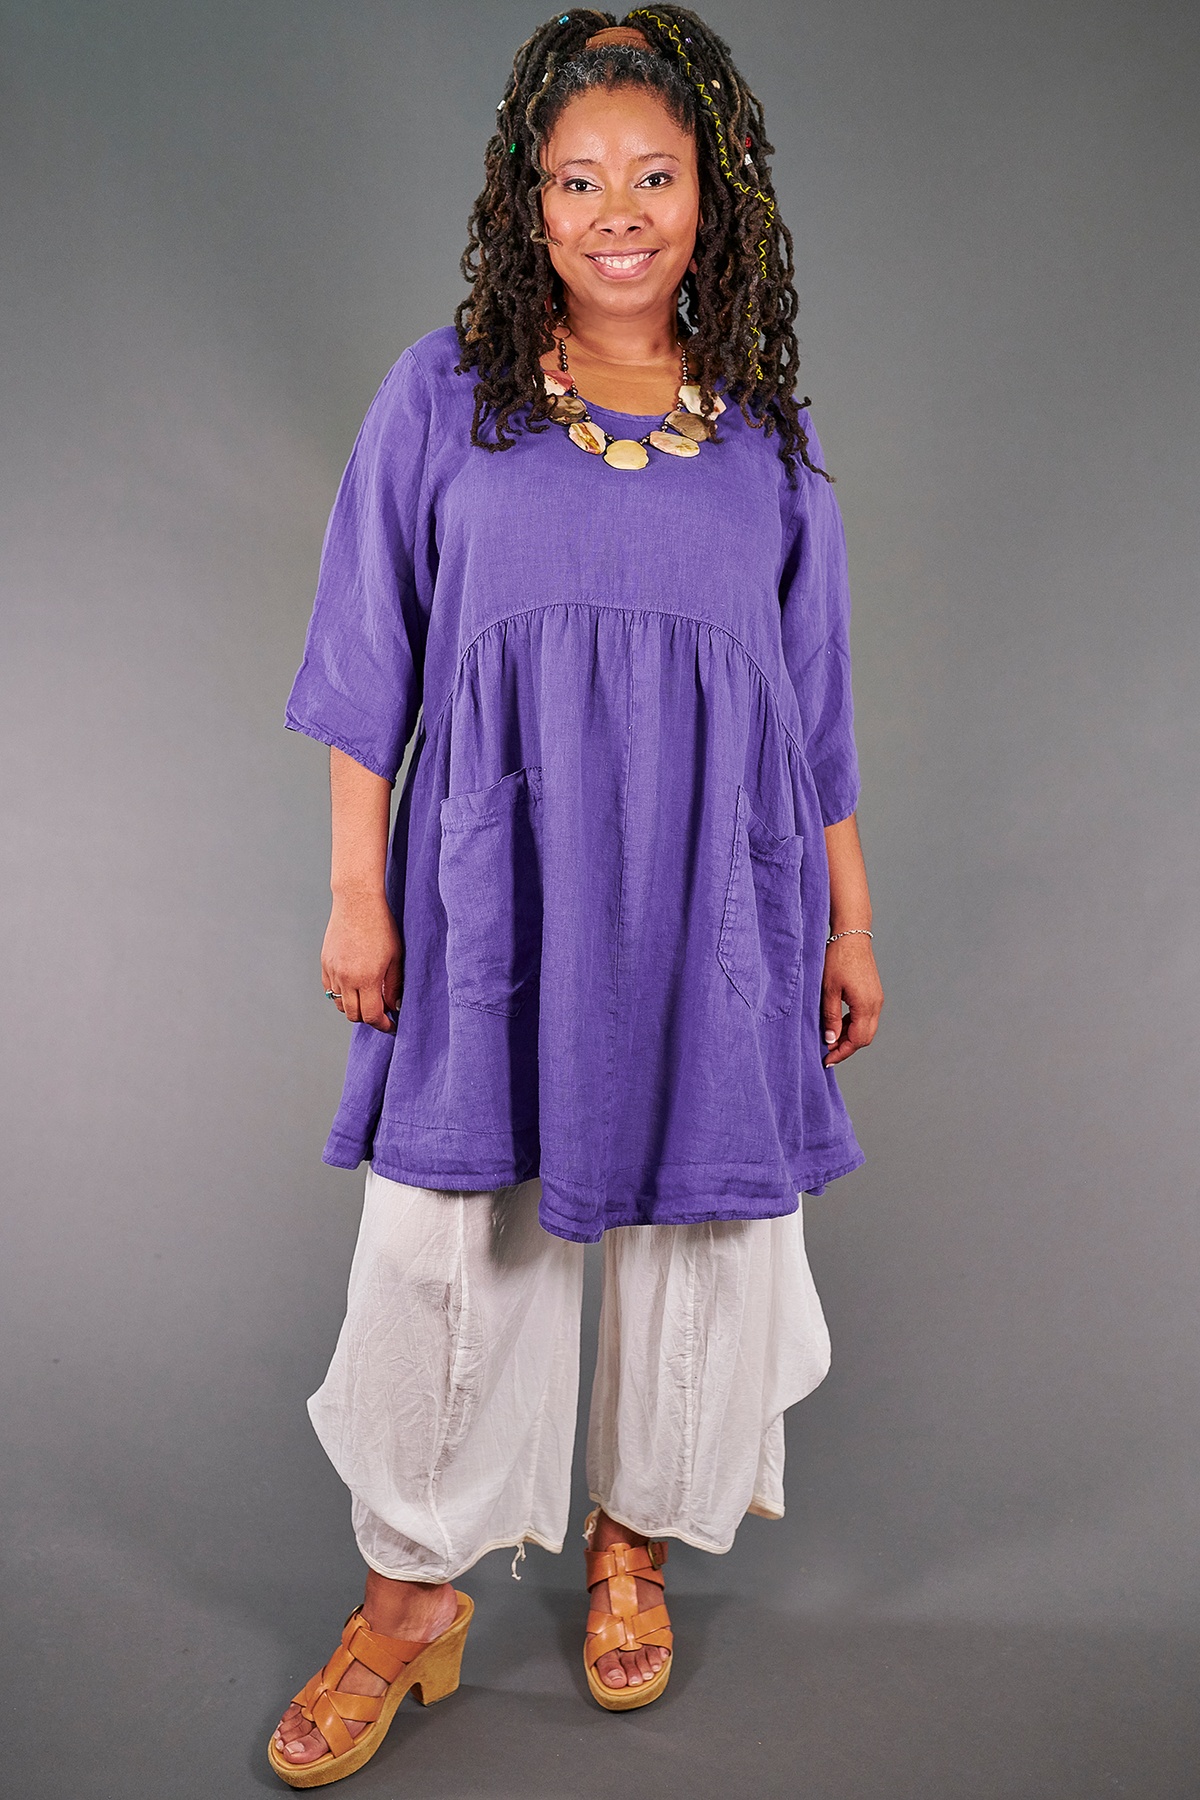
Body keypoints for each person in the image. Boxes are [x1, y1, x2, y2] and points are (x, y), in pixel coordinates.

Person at [270, 6, 882, 1786]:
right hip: (493, 891)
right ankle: (410, 1600)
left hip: (721, 898)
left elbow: (817, 720)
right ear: (526, 203)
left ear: (714, 196)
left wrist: (851, 923)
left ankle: (635, 1542)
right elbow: (365, 662)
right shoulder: (441, 397)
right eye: (578, 179)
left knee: (704, 1229)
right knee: (444, 1241)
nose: (618, 211)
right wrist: (357, 890)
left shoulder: (767, 440)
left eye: (655, 177)